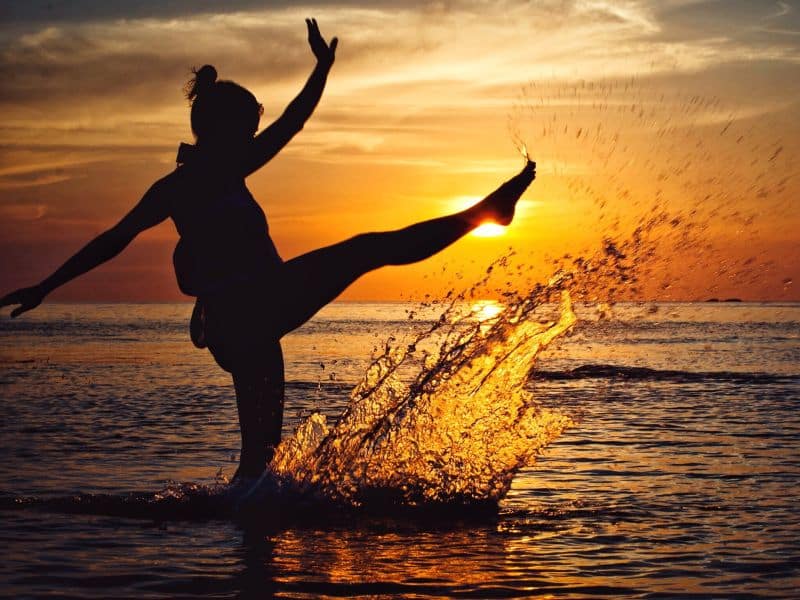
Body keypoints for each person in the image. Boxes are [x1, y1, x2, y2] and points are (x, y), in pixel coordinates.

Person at [0, 19, 536, 483]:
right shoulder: (203, 177)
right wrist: (46, 286)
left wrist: (47, 287)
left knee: (262, 454)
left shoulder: (203, 177)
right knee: (366, 249)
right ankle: (485, 215)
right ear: (223, 132)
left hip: (249, 316)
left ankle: (251, 541)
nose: (256, 137)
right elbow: (114, 240)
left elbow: (116, 237)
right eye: (249, 130)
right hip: (245, 310)